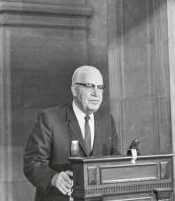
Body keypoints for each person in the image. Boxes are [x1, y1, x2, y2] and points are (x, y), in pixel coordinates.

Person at [24, 66, 120, 201]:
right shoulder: (50, 119)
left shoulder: (107, 121)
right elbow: (32, 162)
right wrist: (53, 178)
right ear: (74, 90)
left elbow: (114, 159)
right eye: (89, 86)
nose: (96, 93)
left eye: (100, 87)